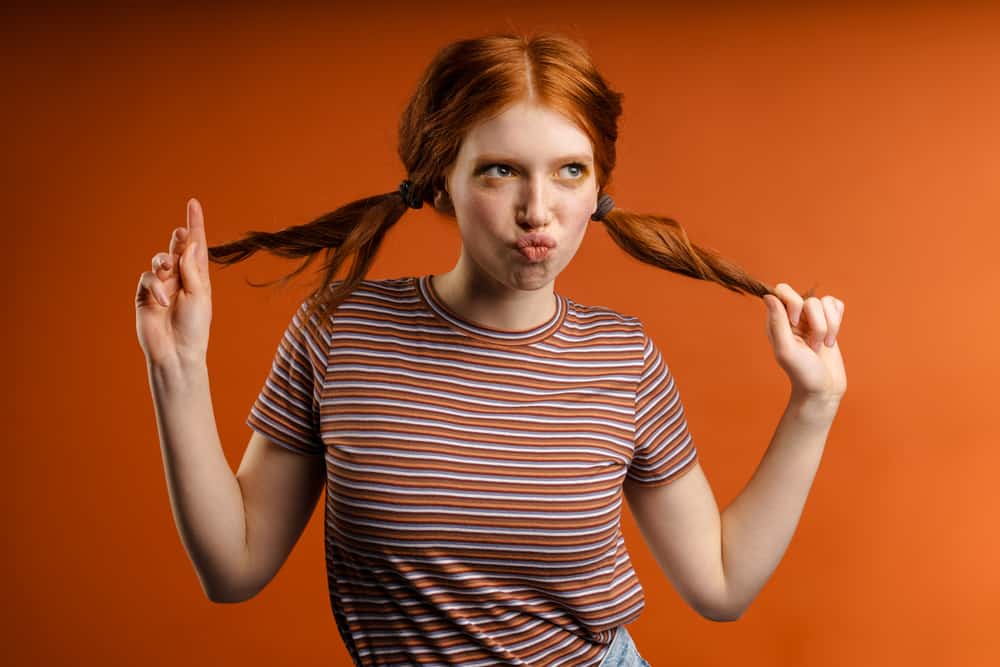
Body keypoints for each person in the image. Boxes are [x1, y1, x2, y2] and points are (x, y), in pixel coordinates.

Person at [135, 32, 846, 667]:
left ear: (598, 186)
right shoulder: (339, 333)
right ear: (442, 179)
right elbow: (233, 570)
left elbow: (720, 582)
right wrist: (178, 367)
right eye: (500, 170)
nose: (539, 209)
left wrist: (814, 403)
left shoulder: (623, 357)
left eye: (570, 170)